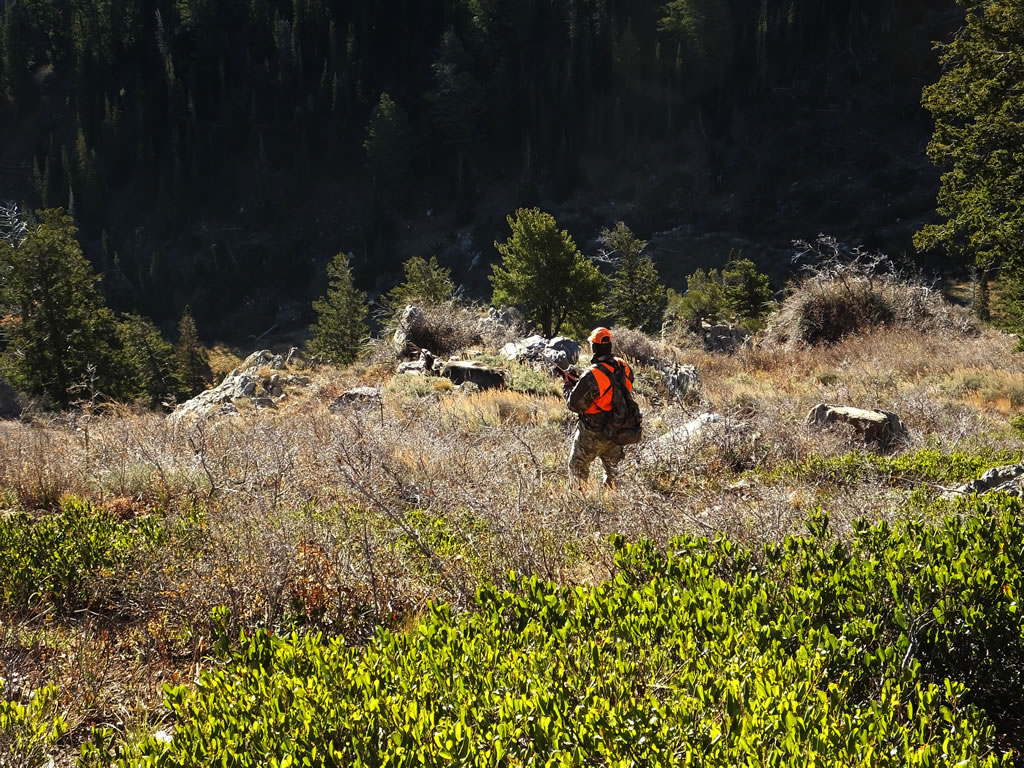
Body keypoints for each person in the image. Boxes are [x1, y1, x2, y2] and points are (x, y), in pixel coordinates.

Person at [565, 327, 635, 490]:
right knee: (614, 471)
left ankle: (577, 504)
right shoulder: (623, 365)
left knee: (578, 467)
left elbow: (574, 405)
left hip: (593, 432)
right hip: (617, 428)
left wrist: (568, 386)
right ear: (609, 345)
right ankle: (612, 502)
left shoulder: (592, 374)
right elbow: (624, 386)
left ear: (594, 347)